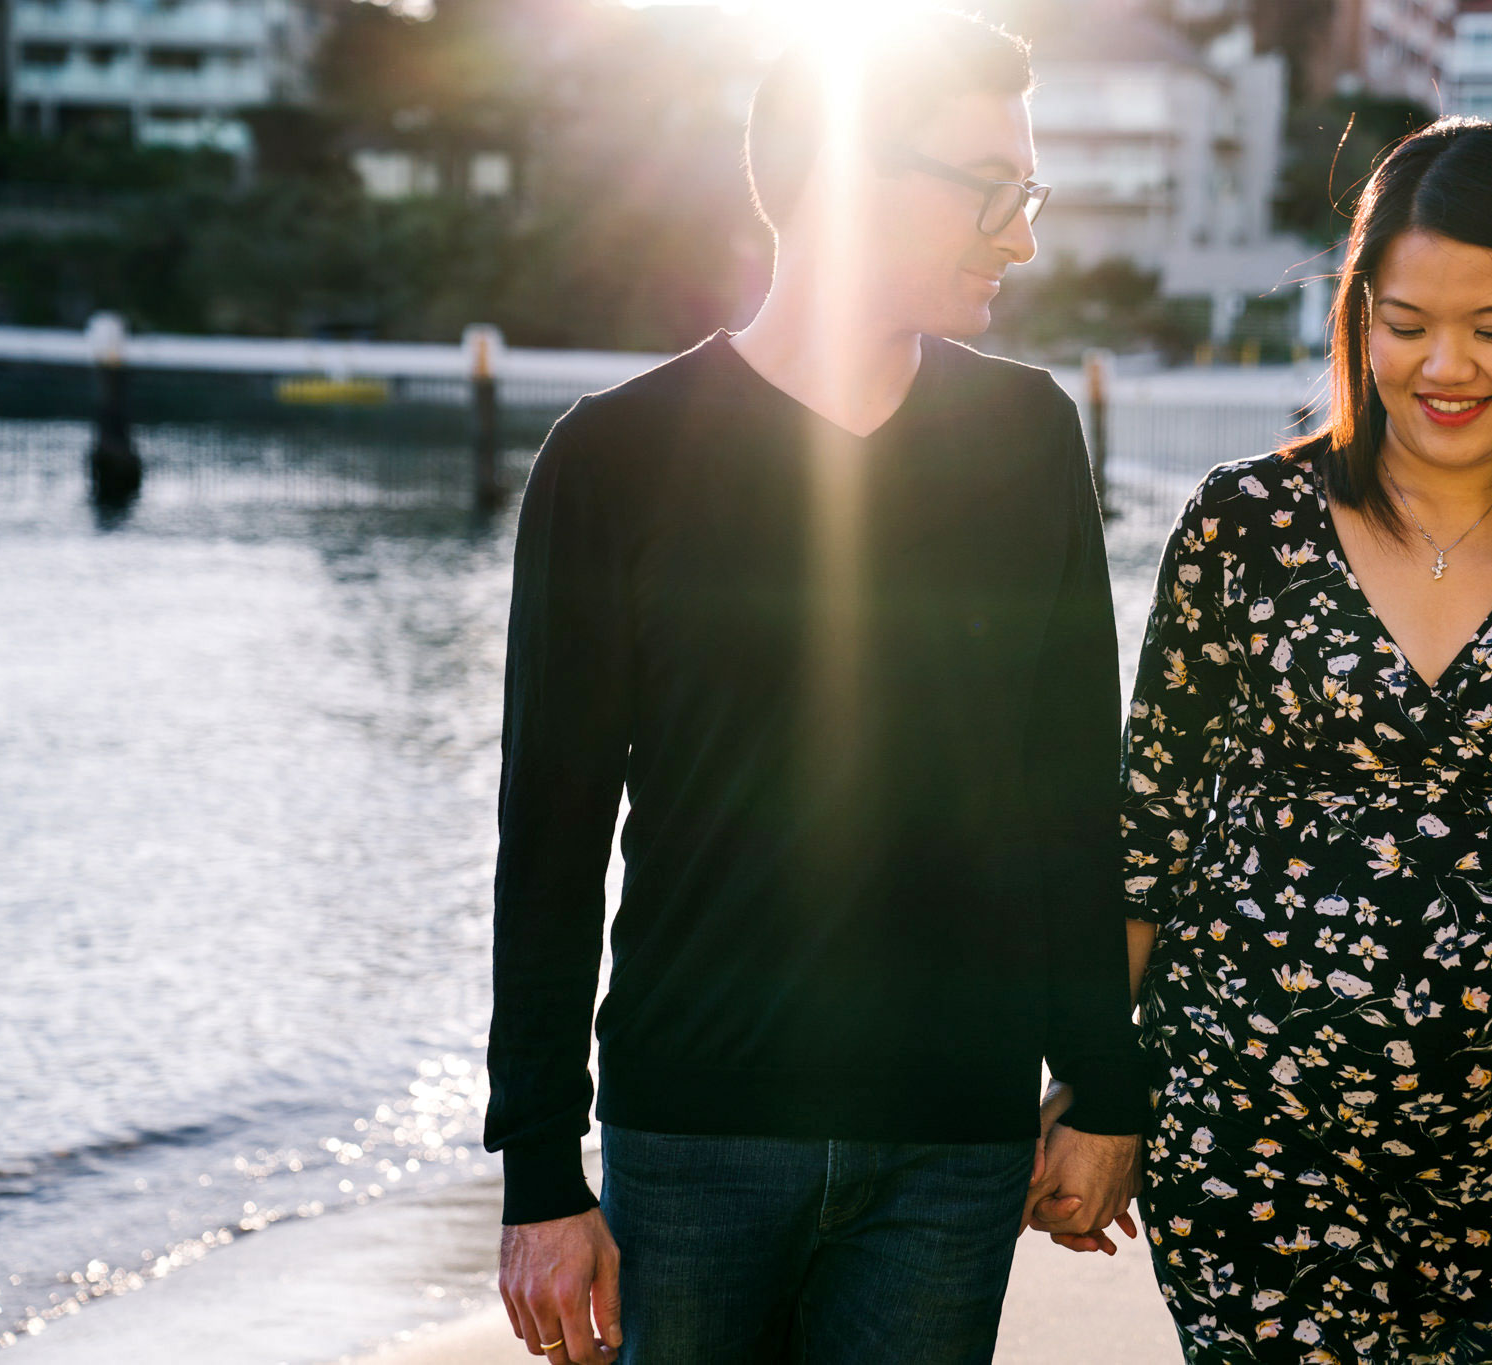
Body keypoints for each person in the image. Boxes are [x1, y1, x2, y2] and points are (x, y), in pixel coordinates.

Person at [480, 13, 1143, 1365]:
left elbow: (1072, 799)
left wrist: (1105, 1083)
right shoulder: (610, 461)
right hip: (694, 1135)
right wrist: (540, 1172)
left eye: (1030, 196)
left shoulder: (1027, 441)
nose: (1019, 237)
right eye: (993, 193)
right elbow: (548, 845)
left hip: (955, 1142)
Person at [1108, 117, 1492, 1363]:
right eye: (1403, 323)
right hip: (1244, 1112)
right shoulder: (1245, 524)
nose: (1447, 366)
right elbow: (1145, 831)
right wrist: (1089, 1091)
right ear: (1355, 316)